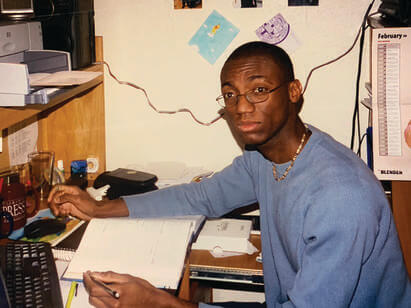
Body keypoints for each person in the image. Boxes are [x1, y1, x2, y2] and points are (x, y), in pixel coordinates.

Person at [49, 41, 411, 307]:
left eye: (258, 90)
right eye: (230, 94)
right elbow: (200, 196)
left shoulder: (340, 196)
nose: (241, 107)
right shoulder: (264, 155)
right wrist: (98, 208)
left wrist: (158, 303)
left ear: (294, 91)